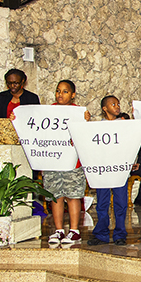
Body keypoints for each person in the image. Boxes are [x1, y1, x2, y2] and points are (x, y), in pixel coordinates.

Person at [41, 80, 90, 244]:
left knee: (73, 196)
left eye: (65, 91)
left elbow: (85, 136)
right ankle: (59, 230)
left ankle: (74, 231)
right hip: (53, 160)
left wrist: (85, 123)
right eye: (58, 91)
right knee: (56, 196)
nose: (60, 94)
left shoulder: (79, 113)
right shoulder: (48, 111)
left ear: (73, 95)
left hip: (72, 162)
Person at [87, 95, 132, 246]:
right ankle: (101, 234)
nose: (117, 106)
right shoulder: (98, 126)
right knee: (102, 203)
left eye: (118, 104)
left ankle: (120, 234)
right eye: (113, 104)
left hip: (119, 168)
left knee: (120, 202)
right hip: (103, 169)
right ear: (105, 109)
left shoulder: (125, 124)